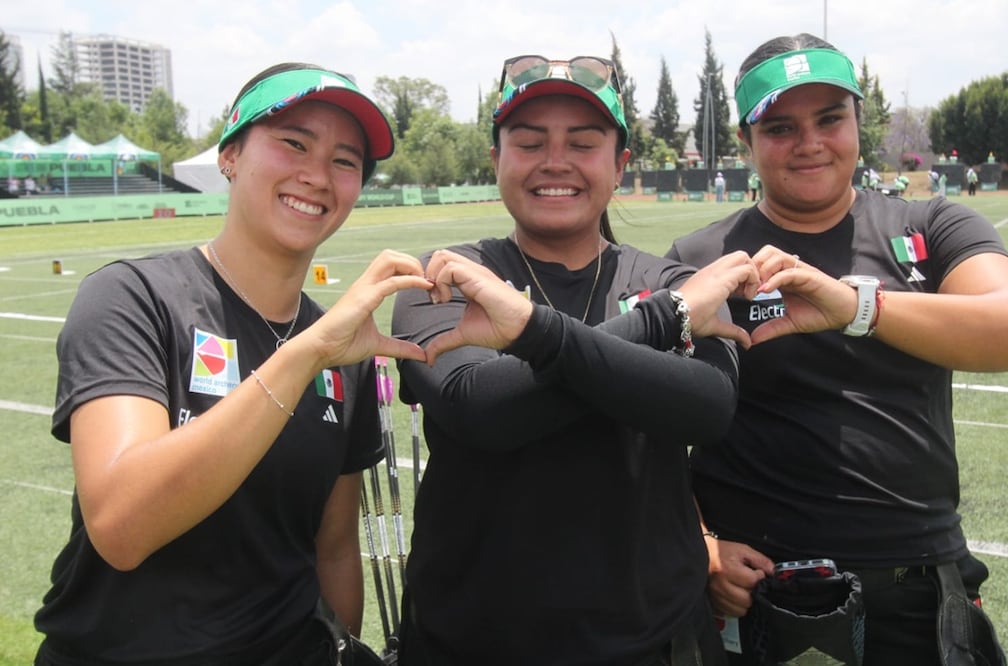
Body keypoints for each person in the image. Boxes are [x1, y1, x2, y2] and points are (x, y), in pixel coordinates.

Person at [666, 33, 1008, 665]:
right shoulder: (699, 260)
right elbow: (641, 425)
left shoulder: (930, 226)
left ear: (858, 122)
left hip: (920, 588)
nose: (810, 143)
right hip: (760, 595)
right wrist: (699, 541)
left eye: (830, 119)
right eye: (780, 128)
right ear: (745, 143)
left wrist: (859, 308)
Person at [33, 62, 432, 665]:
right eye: (293, 143)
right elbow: (121, 525)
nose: (317, 175)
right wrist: (306, 353)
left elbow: (333, 551)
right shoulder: (132, 298)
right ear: (230, 156)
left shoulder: (341, 349)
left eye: (345, 161)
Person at [391, 54, 758, 665]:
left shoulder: (667, 277)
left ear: (620, 166)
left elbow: (707, 408)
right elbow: (480, 407)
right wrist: (661, 322)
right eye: (530, 142)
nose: (554, 162)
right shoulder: (448, 277)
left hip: (651, 642)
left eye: (582, 144)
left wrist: (535, 337)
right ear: (497, 160)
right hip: (472, 643)